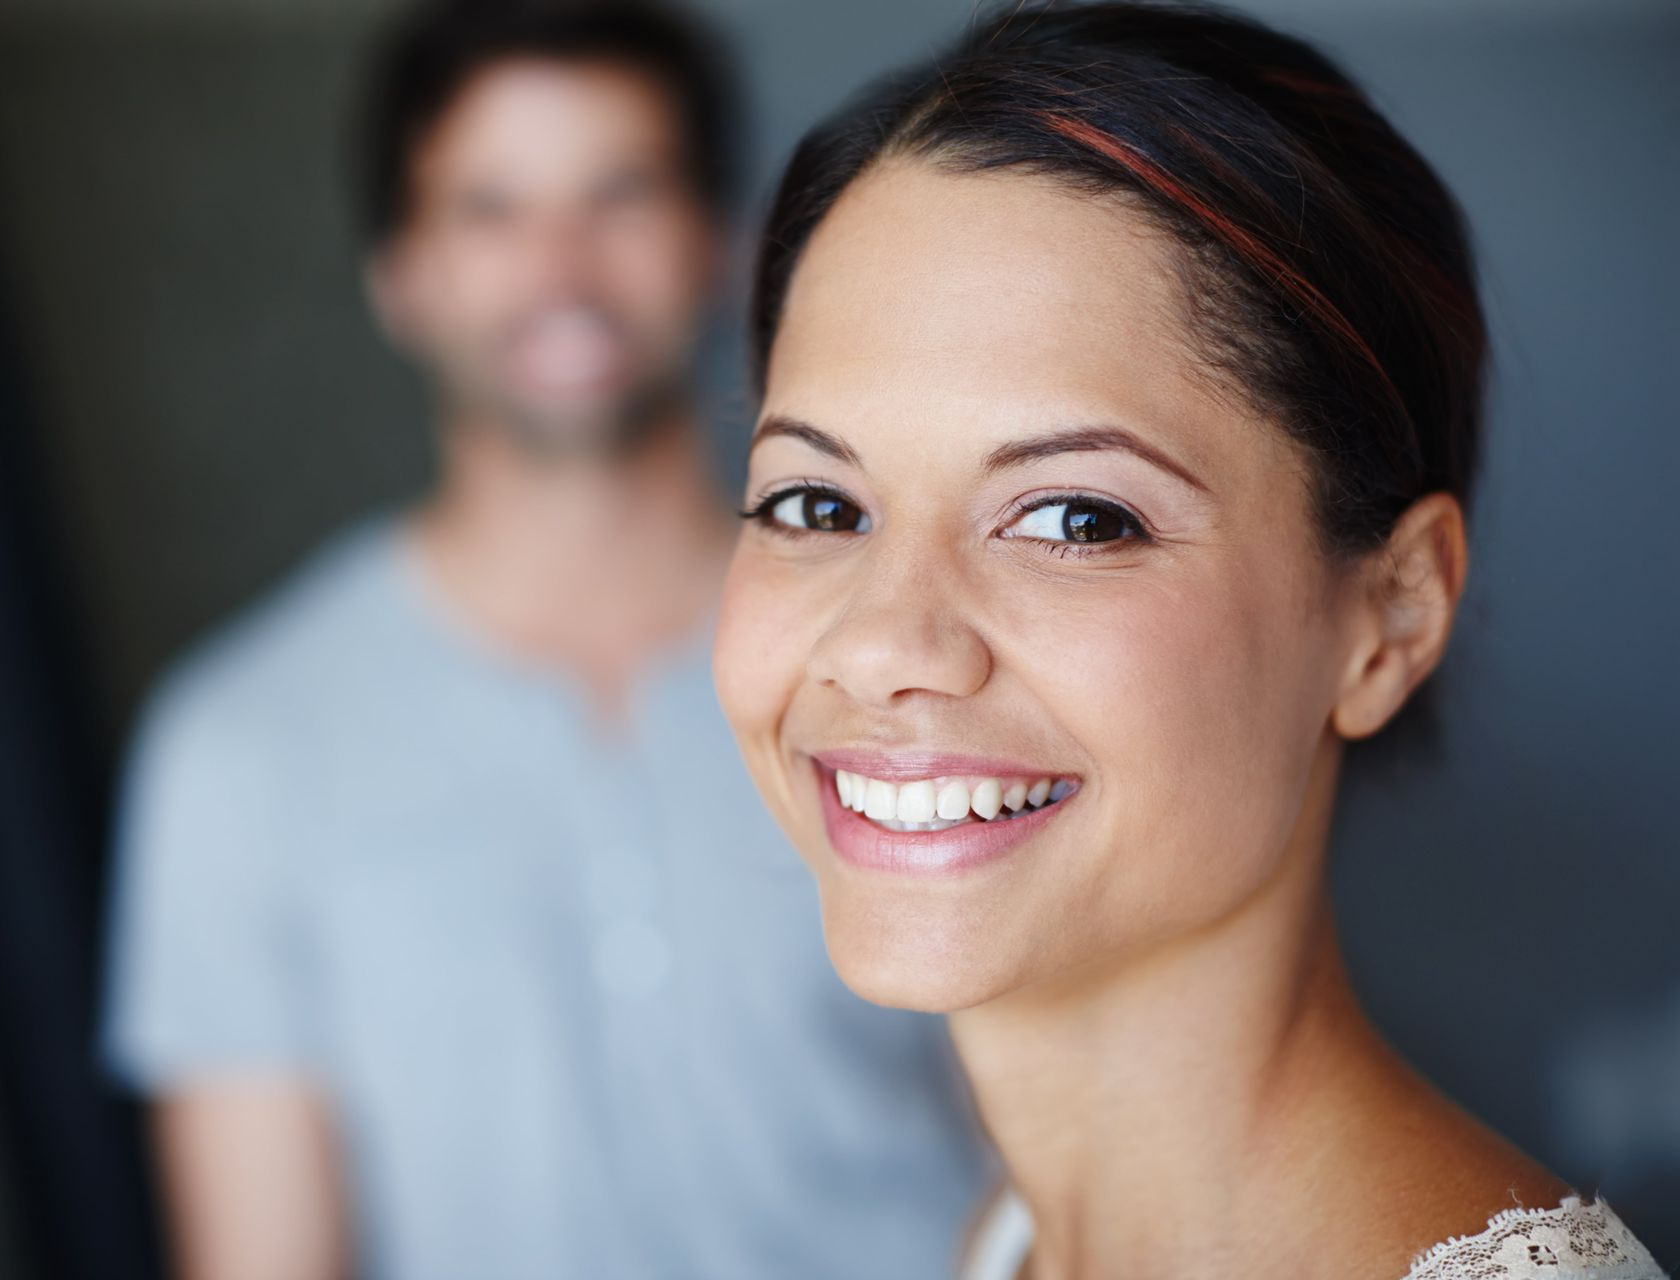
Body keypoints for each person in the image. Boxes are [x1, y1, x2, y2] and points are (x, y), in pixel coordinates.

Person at [710, 3, 1670, 1278]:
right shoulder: (1017, 1241)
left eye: (1077, 518)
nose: (885, 644)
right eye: (817, 504)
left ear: (1390, 617)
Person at [97, 1, 990, 1277]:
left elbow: (1054, 1137)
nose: (560, 268)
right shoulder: (242, 743)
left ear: (721, 241)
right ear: (401, 274)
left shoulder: (909, 651)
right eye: (491, 210)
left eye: (618, 194)